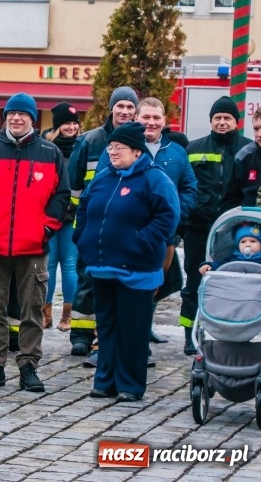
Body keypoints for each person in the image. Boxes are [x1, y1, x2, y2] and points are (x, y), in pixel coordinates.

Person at [0, 93, 69, 392]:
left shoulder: (50, 153)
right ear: (5, 117)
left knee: (32, 310)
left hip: (33, 247)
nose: (17, 119)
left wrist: (45, 229)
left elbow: (61, 196)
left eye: (23, 114)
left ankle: (28, 367)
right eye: (12, 114)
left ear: (32, 119)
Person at [74, 122, 179, 402]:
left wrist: (140, 241)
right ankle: (105, 380)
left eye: (118, 148)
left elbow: (168, 217)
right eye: (110, 147)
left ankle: (130, 385)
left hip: (137, 269)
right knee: (107, 326)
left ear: (136, 151)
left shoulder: (154, 179)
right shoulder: (104, 176)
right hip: (101, 265)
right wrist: (82, 237)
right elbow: (84, 207)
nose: (112, 152)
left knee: (133, 329)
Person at [95, 97, 196, 352]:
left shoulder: (176, 152)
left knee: (153, 286)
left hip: (162, 236)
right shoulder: (118, 148)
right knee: (121, 289)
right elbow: (100, 188)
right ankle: (116, 343)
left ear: (164, 121)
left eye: (156, 118)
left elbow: (189, 188)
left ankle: (141, 335)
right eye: (146, 117)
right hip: (123, 236)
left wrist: (174, 216)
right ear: (136, 119)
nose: (151, 122)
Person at [68, 86, 138, 360]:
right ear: (111, 109)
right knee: (86, 277)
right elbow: (74, 184)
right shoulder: (90, 141)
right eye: (120, 106)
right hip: (91, 224)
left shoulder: (138, 141)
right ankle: (81, 336)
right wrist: (81, 218)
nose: (124, 111)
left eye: (130, 107)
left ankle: (109, 334)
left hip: (121, 225)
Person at [181, 96, 252, 355]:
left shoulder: (249, 149)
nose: (222, 122)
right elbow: (184, 185)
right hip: (198, 227)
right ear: (211, 121)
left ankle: (229, 332)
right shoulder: (194, 148)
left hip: (235, 230)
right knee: (193, 282)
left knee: (232, 282)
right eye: (217, 118)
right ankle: (189, 334)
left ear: (236, 121)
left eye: (227, 118)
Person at [42, 102, 80, 331]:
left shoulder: (81, 146)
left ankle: (68, 315)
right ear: (57, 125)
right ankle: (45, 313)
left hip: (72, 215)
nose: (72, 127)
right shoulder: (46, 147)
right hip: (48, 215)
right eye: (67, 123)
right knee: (49, 265)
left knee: (69, 264)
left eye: (75, 123)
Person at [222, 105, 261, 210]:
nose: (260, 134)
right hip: (250, 222)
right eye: (256, 129)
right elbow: (231, 198)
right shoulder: (244, 157)